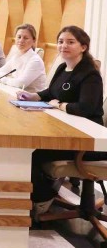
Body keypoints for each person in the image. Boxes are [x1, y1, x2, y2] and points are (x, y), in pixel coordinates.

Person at [18, 26, 105, 216]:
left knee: (32, 153)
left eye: (70, 42)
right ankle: (38, 195)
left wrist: (60, 105)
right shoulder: (62, 67)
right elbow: (51, 93)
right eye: (60, 41)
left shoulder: (90, 74)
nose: (63, 45)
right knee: (27, 149)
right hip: (66, 130)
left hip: (86, 141)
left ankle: (41, 198)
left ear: (83, 47)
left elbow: (85, 108)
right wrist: (33, 96)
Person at [0, 24, 46, 92]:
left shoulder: (35, 61)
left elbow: (20, 84)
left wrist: (3, 79)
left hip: (31, 97)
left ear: (34, 40)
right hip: (15, 92)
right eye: (19, 37)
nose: (21, 40)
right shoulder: (16, 56)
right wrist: (9, 80)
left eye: (26, 38)